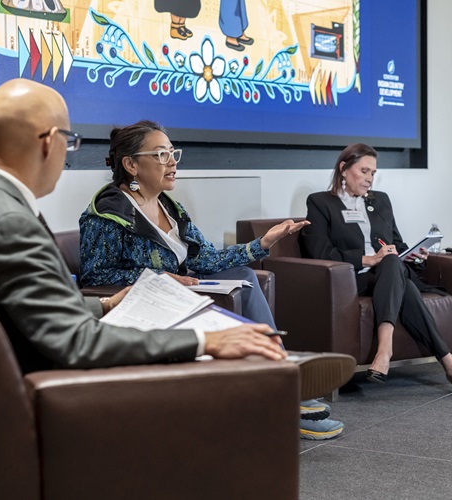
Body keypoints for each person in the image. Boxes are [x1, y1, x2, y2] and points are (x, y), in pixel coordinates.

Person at [0, 79, 353, 407]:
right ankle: (274, 380)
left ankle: (274, 376)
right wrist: (203, 343)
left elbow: (25, 312)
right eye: (68, 142)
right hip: (39, 386)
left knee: (235, 288)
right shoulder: (8, 223)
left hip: (14, 370)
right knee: (210, 341)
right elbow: (76, 343)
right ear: (46, 142)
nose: (67, 154)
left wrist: (105, 306)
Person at [78, 119, 345, 439]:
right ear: (131, 164)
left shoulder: (170, 207)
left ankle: (282, 376)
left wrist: (262, 244)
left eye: (173, 153)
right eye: (161, 155)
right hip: (147, 304)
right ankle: (285, 388)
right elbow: (96, 275)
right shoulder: (106, 212)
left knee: (244, 276)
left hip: (182, 292)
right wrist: (159, 277)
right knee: (239, 286)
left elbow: (204, 258)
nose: (173, 162)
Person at [300, 143, 452, 398]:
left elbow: (396, 244)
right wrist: (368, 259)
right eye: (364, 171)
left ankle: (385, 351)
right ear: (343, 168)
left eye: (373, 173)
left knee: (393, 261)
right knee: (398, 277)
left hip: (389, 272)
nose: (369, 178)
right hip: (353, 279)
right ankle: (449, 363)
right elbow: (320, 253)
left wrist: (415, 255)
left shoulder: (380, 201)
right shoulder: (320, 203)